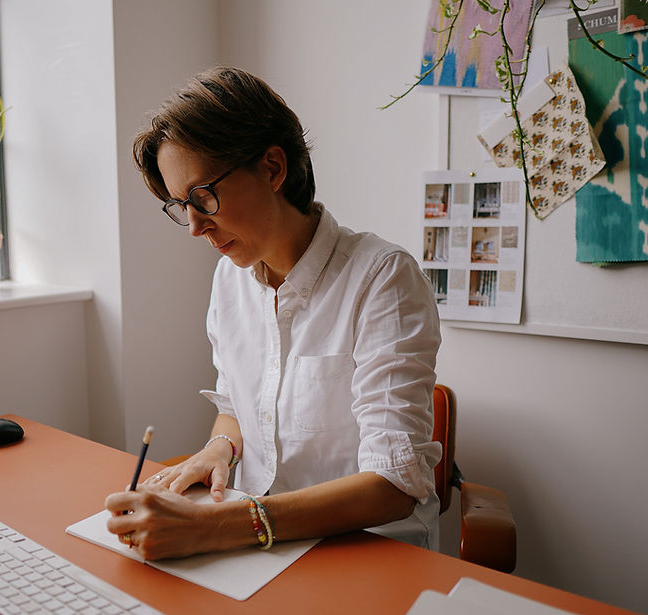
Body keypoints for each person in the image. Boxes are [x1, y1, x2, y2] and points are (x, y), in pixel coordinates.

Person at [105, 65, 442, 560]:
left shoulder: (382, 278)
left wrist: (214, 527)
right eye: (181, 206)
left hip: (367, 552)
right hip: (258, 546)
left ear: (272, 168)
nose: (195, 227)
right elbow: (236, 408)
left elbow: (393, 485)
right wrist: (220, 449)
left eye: (203, 197)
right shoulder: (230, 279)